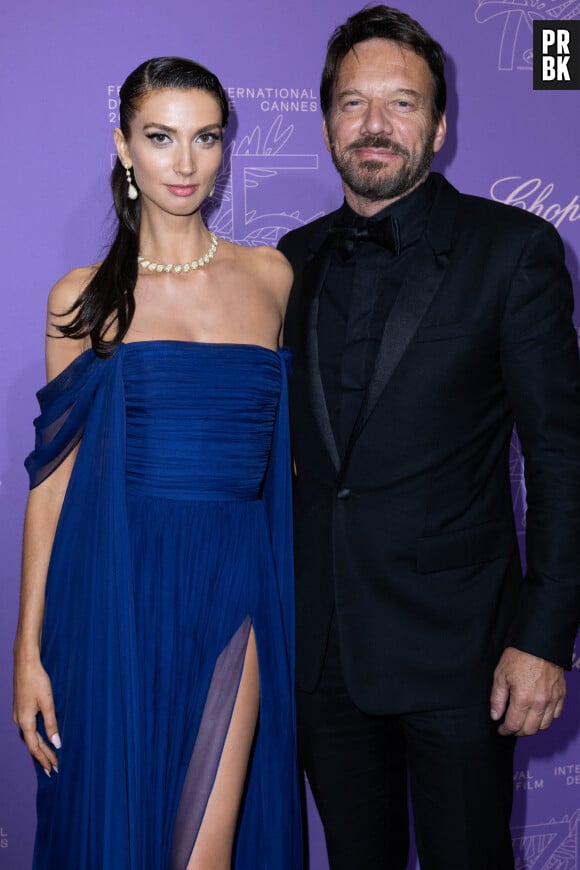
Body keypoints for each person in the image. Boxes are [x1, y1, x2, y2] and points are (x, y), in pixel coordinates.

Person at [278, 6, 580, 869]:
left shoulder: (512, 251)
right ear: (329, 118)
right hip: (324, 654)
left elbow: (561, 454)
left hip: (466, 658)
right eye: (353, 103)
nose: (374, 125)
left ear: (440, 126)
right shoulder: (287, 263)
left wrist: (544, 637)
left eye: (402, 103)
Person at [13, 56, 302, 870]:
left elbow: (285, 465)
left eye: (205, 138)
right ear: (124, 146)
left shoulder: (273, 276)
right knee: (120, 838)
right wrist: (27, 654)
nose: (185, 163)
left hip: (237, 585)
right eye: (161, 137)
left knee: (205, 851)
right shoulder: (83, 299)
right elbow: (53, 480)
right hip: (114, 592)